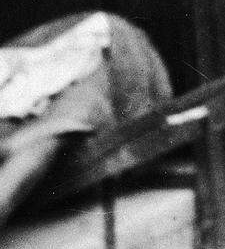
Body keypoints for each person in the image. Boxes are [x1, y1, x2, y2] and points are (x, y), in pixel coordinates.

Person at [0, 14, 172, 233]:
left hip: (102, 51)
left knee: (46, 135)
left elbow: (35, 150)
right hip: (94, 52)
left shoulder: (86, 84)